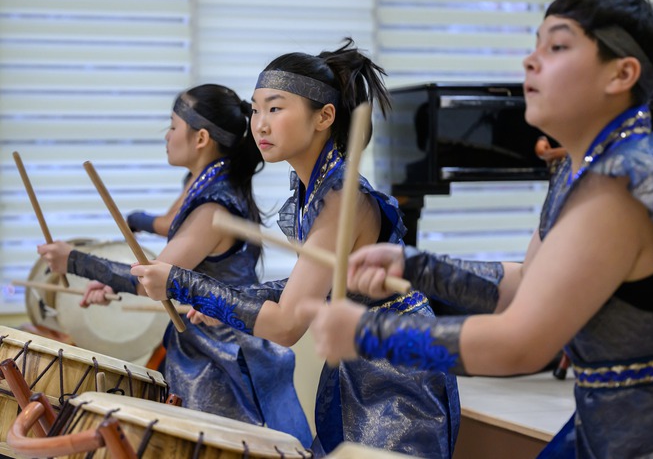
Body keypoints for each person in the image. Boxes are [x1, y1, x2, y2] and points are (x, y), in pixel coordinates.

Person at [309, 0, 653, 458]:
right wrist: (415, 266)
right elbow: (530, 281)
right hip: (625, 415)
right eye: (535, 44)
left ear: (621, 73)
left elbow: (521, 344)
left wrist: (370, 334)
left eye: (557, 46)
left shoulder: (622, 184)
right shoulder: (585, 165)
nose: (531, 61)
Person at [132, 39, 460, 458]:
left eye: (276, 107)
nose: (260, 124)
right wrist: (231, 298)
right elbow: (314, 283)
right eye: (255, 108)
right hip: (359, 356)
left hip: (395, 364)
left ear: (324, 116)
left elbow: (287, 326)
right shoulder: (316, 187)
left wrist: (184, 284)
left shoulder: (339, 197)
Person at [37, 84, 312, 446]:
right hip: (206, 345)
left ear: (200, 138)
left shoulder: (214, 204)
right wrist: (111, 282)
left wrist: (72, 259)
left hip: (225, 359)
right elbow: (170, 244)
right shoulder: (205, 181)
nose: (166, 136)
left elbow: (153, 278)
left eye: (171, 125)